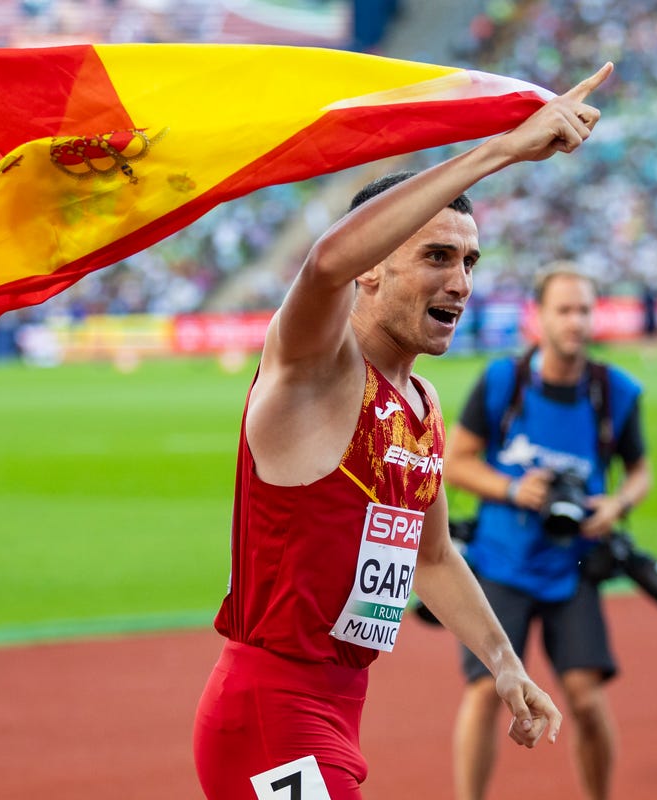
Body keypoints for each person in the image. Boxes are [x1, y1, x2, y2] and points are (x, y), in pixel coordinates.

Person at [192, 63, 615, 799]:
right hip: (269, 709)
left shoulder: (420, 404)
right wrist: (503, 149)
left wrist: (505, 663)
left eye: (471, 261)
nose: (461, 281)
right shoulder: (315, 369)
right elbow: (323, 264)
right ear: (372, 272)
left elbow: (435, 558)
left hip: (339, 706)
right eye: (436, 256)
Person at [445, 265, 653, 800]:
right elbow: (455, 461)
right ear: (537, 316)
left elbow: (640, 471)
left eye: (584, 309)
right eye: (563, 309)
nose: (576, 321)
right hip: (500, 560)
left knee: (585, 697)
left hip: (573, 563)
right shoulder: (501, 383)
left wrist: (618, 503)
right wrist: (515, 490)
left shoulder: (616, 391)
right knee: (486, 690)